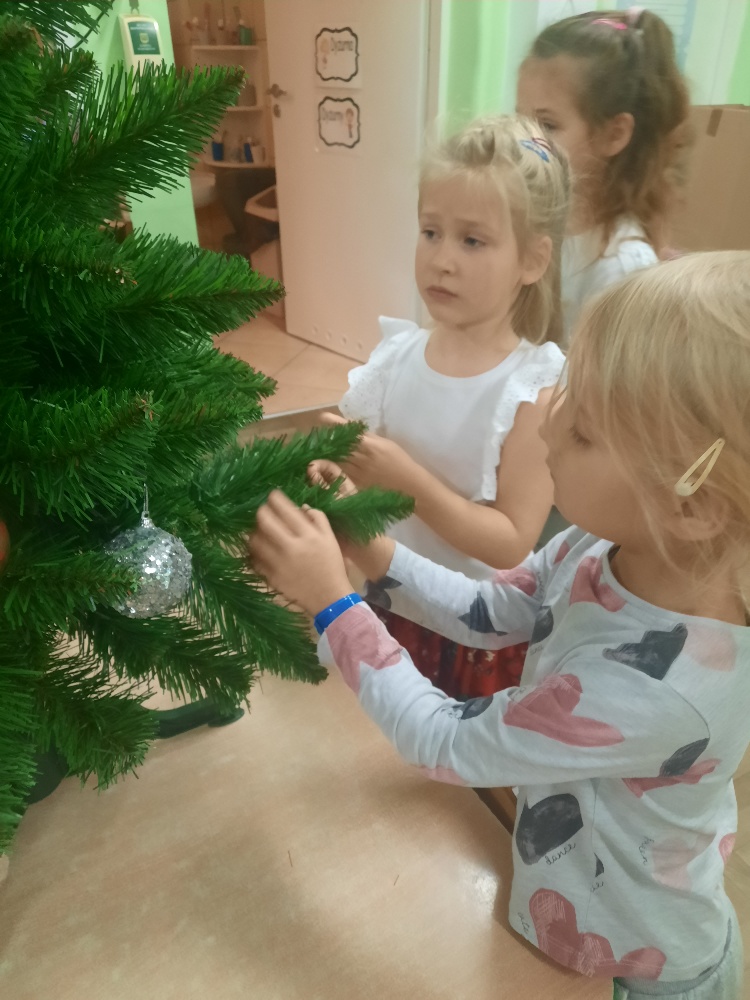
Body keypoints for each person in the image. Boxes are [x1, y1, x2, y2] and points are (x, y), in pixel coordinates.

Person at [250, 251, 750, 999]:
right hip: (574, 914)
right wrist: (372, 549)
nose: (549, 425)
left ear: (693, 504)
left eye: (586, 432)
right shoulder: (604, 545)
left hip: (645, 967)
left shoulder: (657, 690)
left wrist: (332, 604)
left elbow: (445, 740)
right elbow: (493, 612)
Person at [323, 114, 571, 698]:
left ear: (532, 260)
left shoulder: (532, 388)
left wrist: (408, 482)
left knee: (445, 747)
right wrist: (333, 477)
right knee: (386, 729)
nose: (442, 259)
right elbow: (354, 468)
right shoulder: (394, 356)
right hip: (387, 598)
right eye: (430, 232)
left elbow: (511, 541)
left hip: (469, 628)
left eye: (472, 240)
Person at [516, 6, 691, 343]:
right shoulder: (535, 218)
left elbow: (602, 374)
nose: (523, 140)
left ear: (613, 134)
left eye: (547, 125)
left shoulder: (623, 265)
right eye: (520, 119)